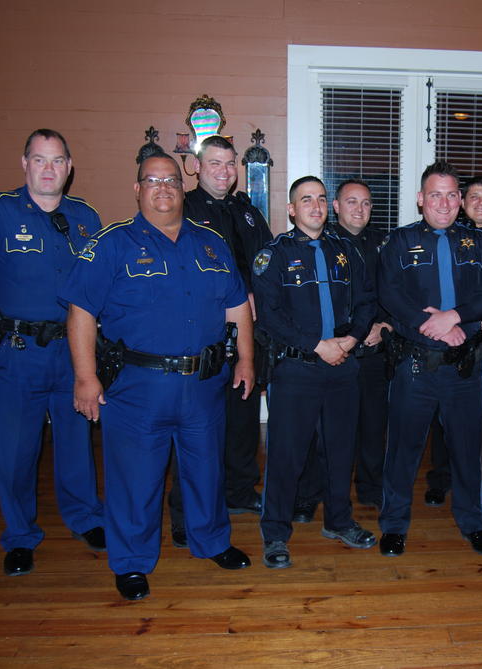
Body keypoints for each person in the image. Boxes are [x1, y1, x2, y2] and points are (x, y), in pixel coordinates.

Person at [61, 153, 254, 600]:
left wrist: (245, 359)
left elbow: (237, 304)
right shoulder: (111, 244)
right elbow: (81, 311)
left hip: (203, 385)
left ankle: (212, 542)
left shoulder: (210, 243)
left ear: (181, 188)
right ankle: (131, 561)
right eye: (152, 180)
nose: (163, 188)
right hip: (137, 387)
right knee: (136, 479)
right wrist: (85, 377)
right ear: (137, 189)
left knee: (206, 471)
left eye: (170, 180)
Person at [0, 129, 105, 577]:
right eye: (40, 160)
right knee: (17, 452)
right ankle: (20, 536)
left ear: (69, 167)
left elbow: (98, 290)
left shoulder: (85, 218)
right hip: (17, 354)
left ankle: (85, 519)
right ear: (24, 164)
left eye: (57, 161)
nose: (49, 169)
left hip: (72, 351)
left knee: (77, 441)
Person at [252, 176, 378, 569]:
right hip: (296, 370)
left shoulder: (348, 251)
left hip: (343, 366)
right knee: (287, 455)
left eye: (322, 199)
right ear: (291, 210)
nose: (316, 206)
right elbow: (269, 316)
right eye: (306, 200)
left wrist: (351, 341)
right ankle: (275, 532)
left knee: (341, 451)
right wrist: (316, 345)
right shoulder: (272, 255)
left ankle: (339, 520)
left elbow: (366, 302)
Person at [377, 161, 482, 557]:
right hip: (414, 364)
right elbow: (390, 294)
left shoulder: (479, 243)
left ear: (461, 200)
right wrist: (427, 325)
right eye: (435, 194)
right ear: (420, 199)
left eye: (451, 194)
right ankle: (394, 524)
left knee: (467, 450)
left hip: (465, 365)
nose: (444, 203)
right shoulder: (399, 242)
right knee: (403, 451)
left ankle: (474, 522)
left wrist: (457, 320)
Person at [167, 135, 273, 548]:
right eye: (215, 163)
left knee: (243, 419)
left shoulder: (247, 212)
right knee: (194, 429)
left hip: (248, 335)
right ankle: (184, 511)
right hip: (204, 337)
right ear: (197, 166)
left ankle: (240, 492)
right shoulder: (183, 210)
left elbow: (267, 259)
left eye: (230, 164)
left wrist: (259, 295)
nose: (225, 172)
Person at [291, 178, 390, 519]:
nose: (359, 209)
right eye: (351, 202)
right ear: (336, 206)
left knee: (373, 426)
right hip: (331, 353)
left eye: (365, 203)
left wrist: (385, 326)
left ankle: (371, 488)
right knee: (321, 432)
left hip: (374, 350)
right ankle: (309, 493)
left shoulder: (384, 244)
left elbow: (394, 294)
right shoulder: (324, 242)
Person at [424, 176, 482, 503]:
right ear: (461, 201)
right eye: (474, 197)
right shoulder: (447, 236)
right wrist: (471, 318)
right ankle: (441, 477)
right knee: (446, 412)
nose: (481, 203)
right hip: (457, 336)